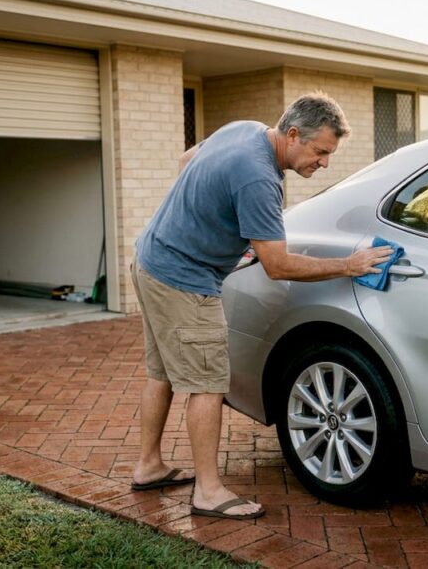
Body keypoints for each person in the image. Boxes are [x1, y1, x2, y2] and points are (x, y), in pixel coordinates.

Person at [130, 92, 391, 520]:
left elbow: (185, 161)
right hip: (182, 279)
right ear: (292, 134)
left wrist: (213, 223)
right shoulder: (260, 178)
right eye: (321, 151)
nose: (324, 162)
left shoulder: (245, 129)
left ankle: (148, 466)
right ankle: (208, 492)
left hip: (150, 257)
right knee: (209, 383)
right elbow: (277, 264)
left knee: (162, 372)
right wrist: (349, 264)